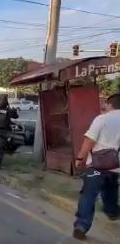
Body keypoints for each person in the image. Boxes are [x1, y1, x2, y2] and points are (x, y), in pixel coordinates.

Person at [73, 94, 120, 240]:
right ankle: (112, 212)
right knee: (111, 191)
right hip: (117, 167)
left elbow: (89, 140)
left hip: (96, 166)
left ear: (109, 104)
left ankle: (81, 226)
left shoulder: (102, 118)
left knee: (88, 196)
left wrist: (80, 159)